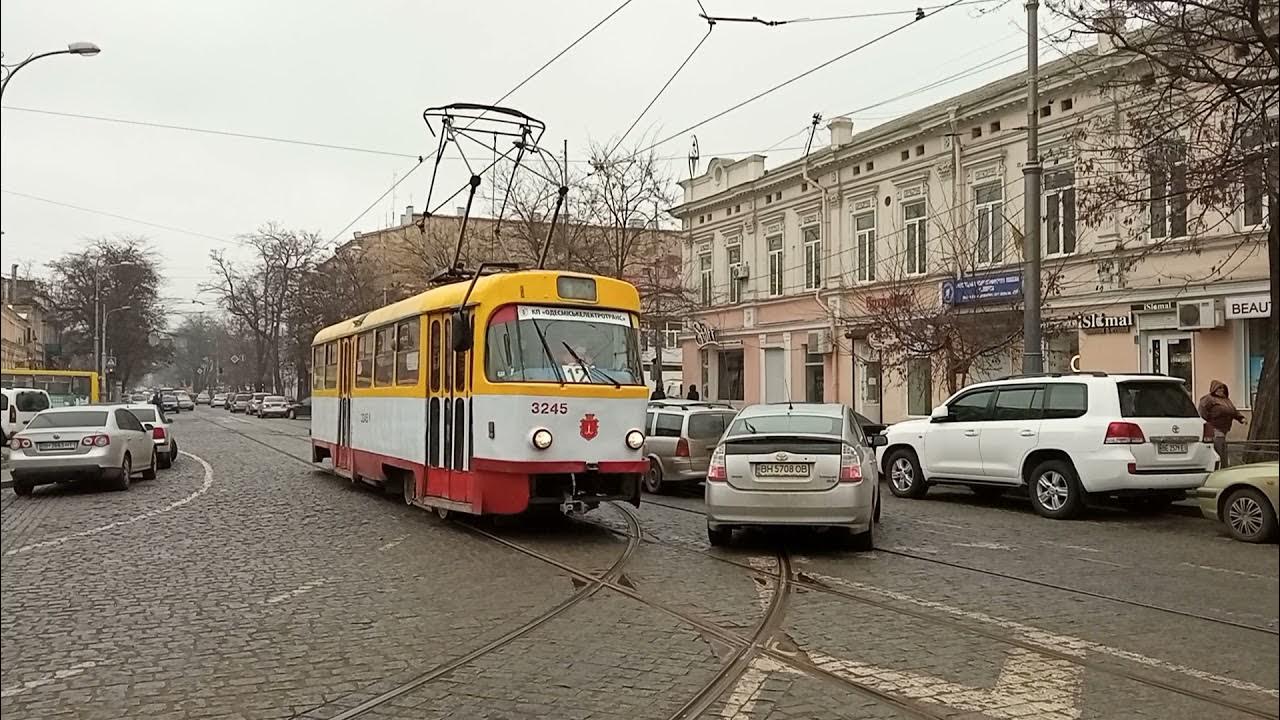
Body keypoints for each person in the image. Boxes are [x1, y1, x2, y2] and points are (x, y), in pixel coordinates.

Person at [1198, 380, 1245, 467]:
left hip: (1224, 429)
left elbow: (1233, 410)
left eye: (1223, 388)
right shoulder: (1208, 399)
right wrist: (1208, 425)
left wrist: (1240, 418)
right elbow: (1202, 412)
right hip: (1214, 428)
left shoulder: (1226, 400)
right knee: (1220, 447)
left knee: (1222, 447)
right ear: (1214, 388)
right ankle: (1221, 467)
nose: (1222, 390)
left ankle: (1223, 466)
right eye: (1219, 388)